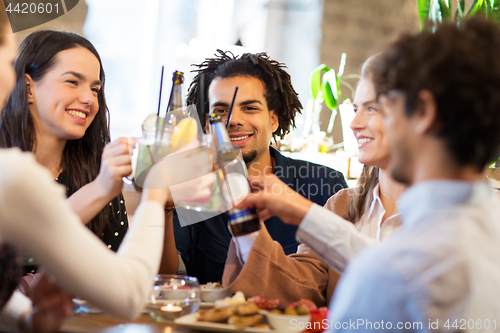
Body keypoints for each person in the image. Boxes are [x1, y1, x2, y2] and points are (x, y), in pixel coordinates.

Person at [240, 17, 500, 331]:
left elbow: (392, 270)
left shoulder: (388, 275)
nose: (355, 124)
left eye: (381, 106)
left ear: (424, 113)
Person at [0, 14, 171, 332]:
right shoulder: (13, 172)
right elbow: (129, 294)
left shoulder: (95, 174)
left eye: (95, 88)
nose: (89, 98)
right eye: (72, 81)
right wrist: (155, 193)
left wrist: (26, 316)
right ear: (28, 87)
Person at [223, 54, 405, 306]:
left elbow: (406, 285)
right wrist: (244, 220)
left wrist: (302, 210)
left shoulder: (447, 213)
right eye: (355, 109)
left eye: (371, 108)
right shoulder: (342, 205)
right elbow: (302, 287)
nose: (354, 124)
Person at [170, 50, 348, 284]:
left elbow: (345, 277)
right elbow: (170, 276)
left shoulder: (325, 184)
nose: (233, 120)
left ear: (273, 119)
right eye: (220, 111)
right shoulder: (193, 189)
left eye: (250, 108)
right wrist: (160, 204)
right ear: (206, 124)